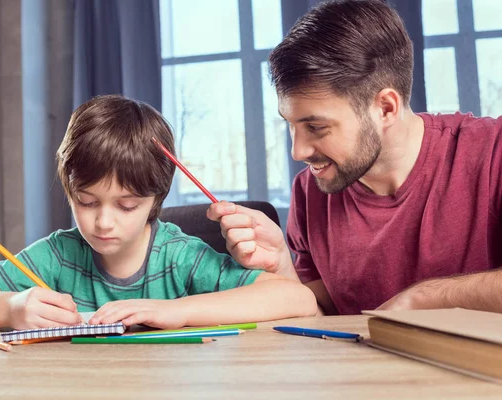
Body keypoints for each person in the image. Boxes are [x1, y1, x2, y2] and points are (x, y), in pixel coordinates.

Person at [208, 0, 502, 315]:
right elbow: (325, 320)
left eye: (316, 127)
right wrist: (282, 267)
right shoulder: (311, 191)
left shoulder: (492, 153)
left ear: (385, 108)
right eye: (291, 126)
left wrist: (423, 298)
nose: (298, 152)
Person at [0, 95, 317, 330]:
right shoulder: (59, 255)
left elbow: (297, 301)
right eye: (86, 201)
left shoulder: (179, 256)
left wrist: (177, 311)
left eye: (127, 205)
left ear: (155, 199)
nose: (103, 221)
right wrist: (11, 308)